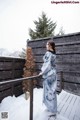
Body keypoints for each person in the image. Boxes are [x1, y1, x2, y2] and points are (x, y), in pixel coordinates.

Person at [39, 40, 57, 116]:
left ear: (50, 46)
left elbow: (47, 65)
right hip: (53, 74)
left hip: (49, 74)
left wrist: (42, 72)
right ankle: (53, 108)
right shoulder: (54, 53)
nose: (46, 45)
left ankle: (52, 110)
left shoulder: (48, 53)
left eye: (47, 44)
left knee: (48, 92)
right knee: (52, 91)